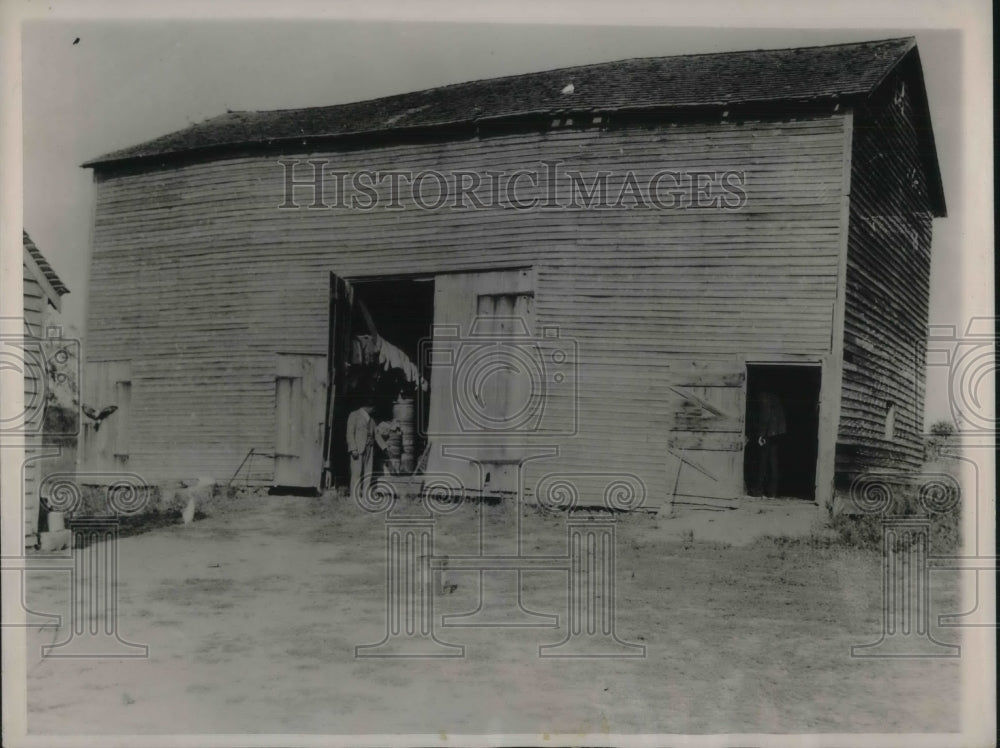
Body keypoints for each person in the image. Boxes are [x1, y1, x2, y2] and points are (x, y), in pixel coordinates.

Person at [751, 390, 786, 497]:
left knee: (763, 461)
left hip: (769, 432)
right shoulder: (774, 395)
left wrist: (761, 434)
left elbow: (765, 415)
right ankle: (772, 492)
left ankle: (759, 490)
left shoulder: (764, 395)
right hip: (777, 431)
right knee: (773, 461)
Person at [346, 404, 376, 499]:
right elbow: (350, 433)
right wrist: (353, 448)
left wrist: (384, 447)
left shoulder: (371, 420)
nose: (374, 409)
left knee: (368, 472)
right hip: (357, 449)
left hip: (369, 449)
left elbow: (377, 434)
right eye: (373, 407)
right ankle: (355, 496)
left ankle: (366, 495)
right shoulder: (354, 415)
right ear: (367, 406)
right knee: (356, 472)